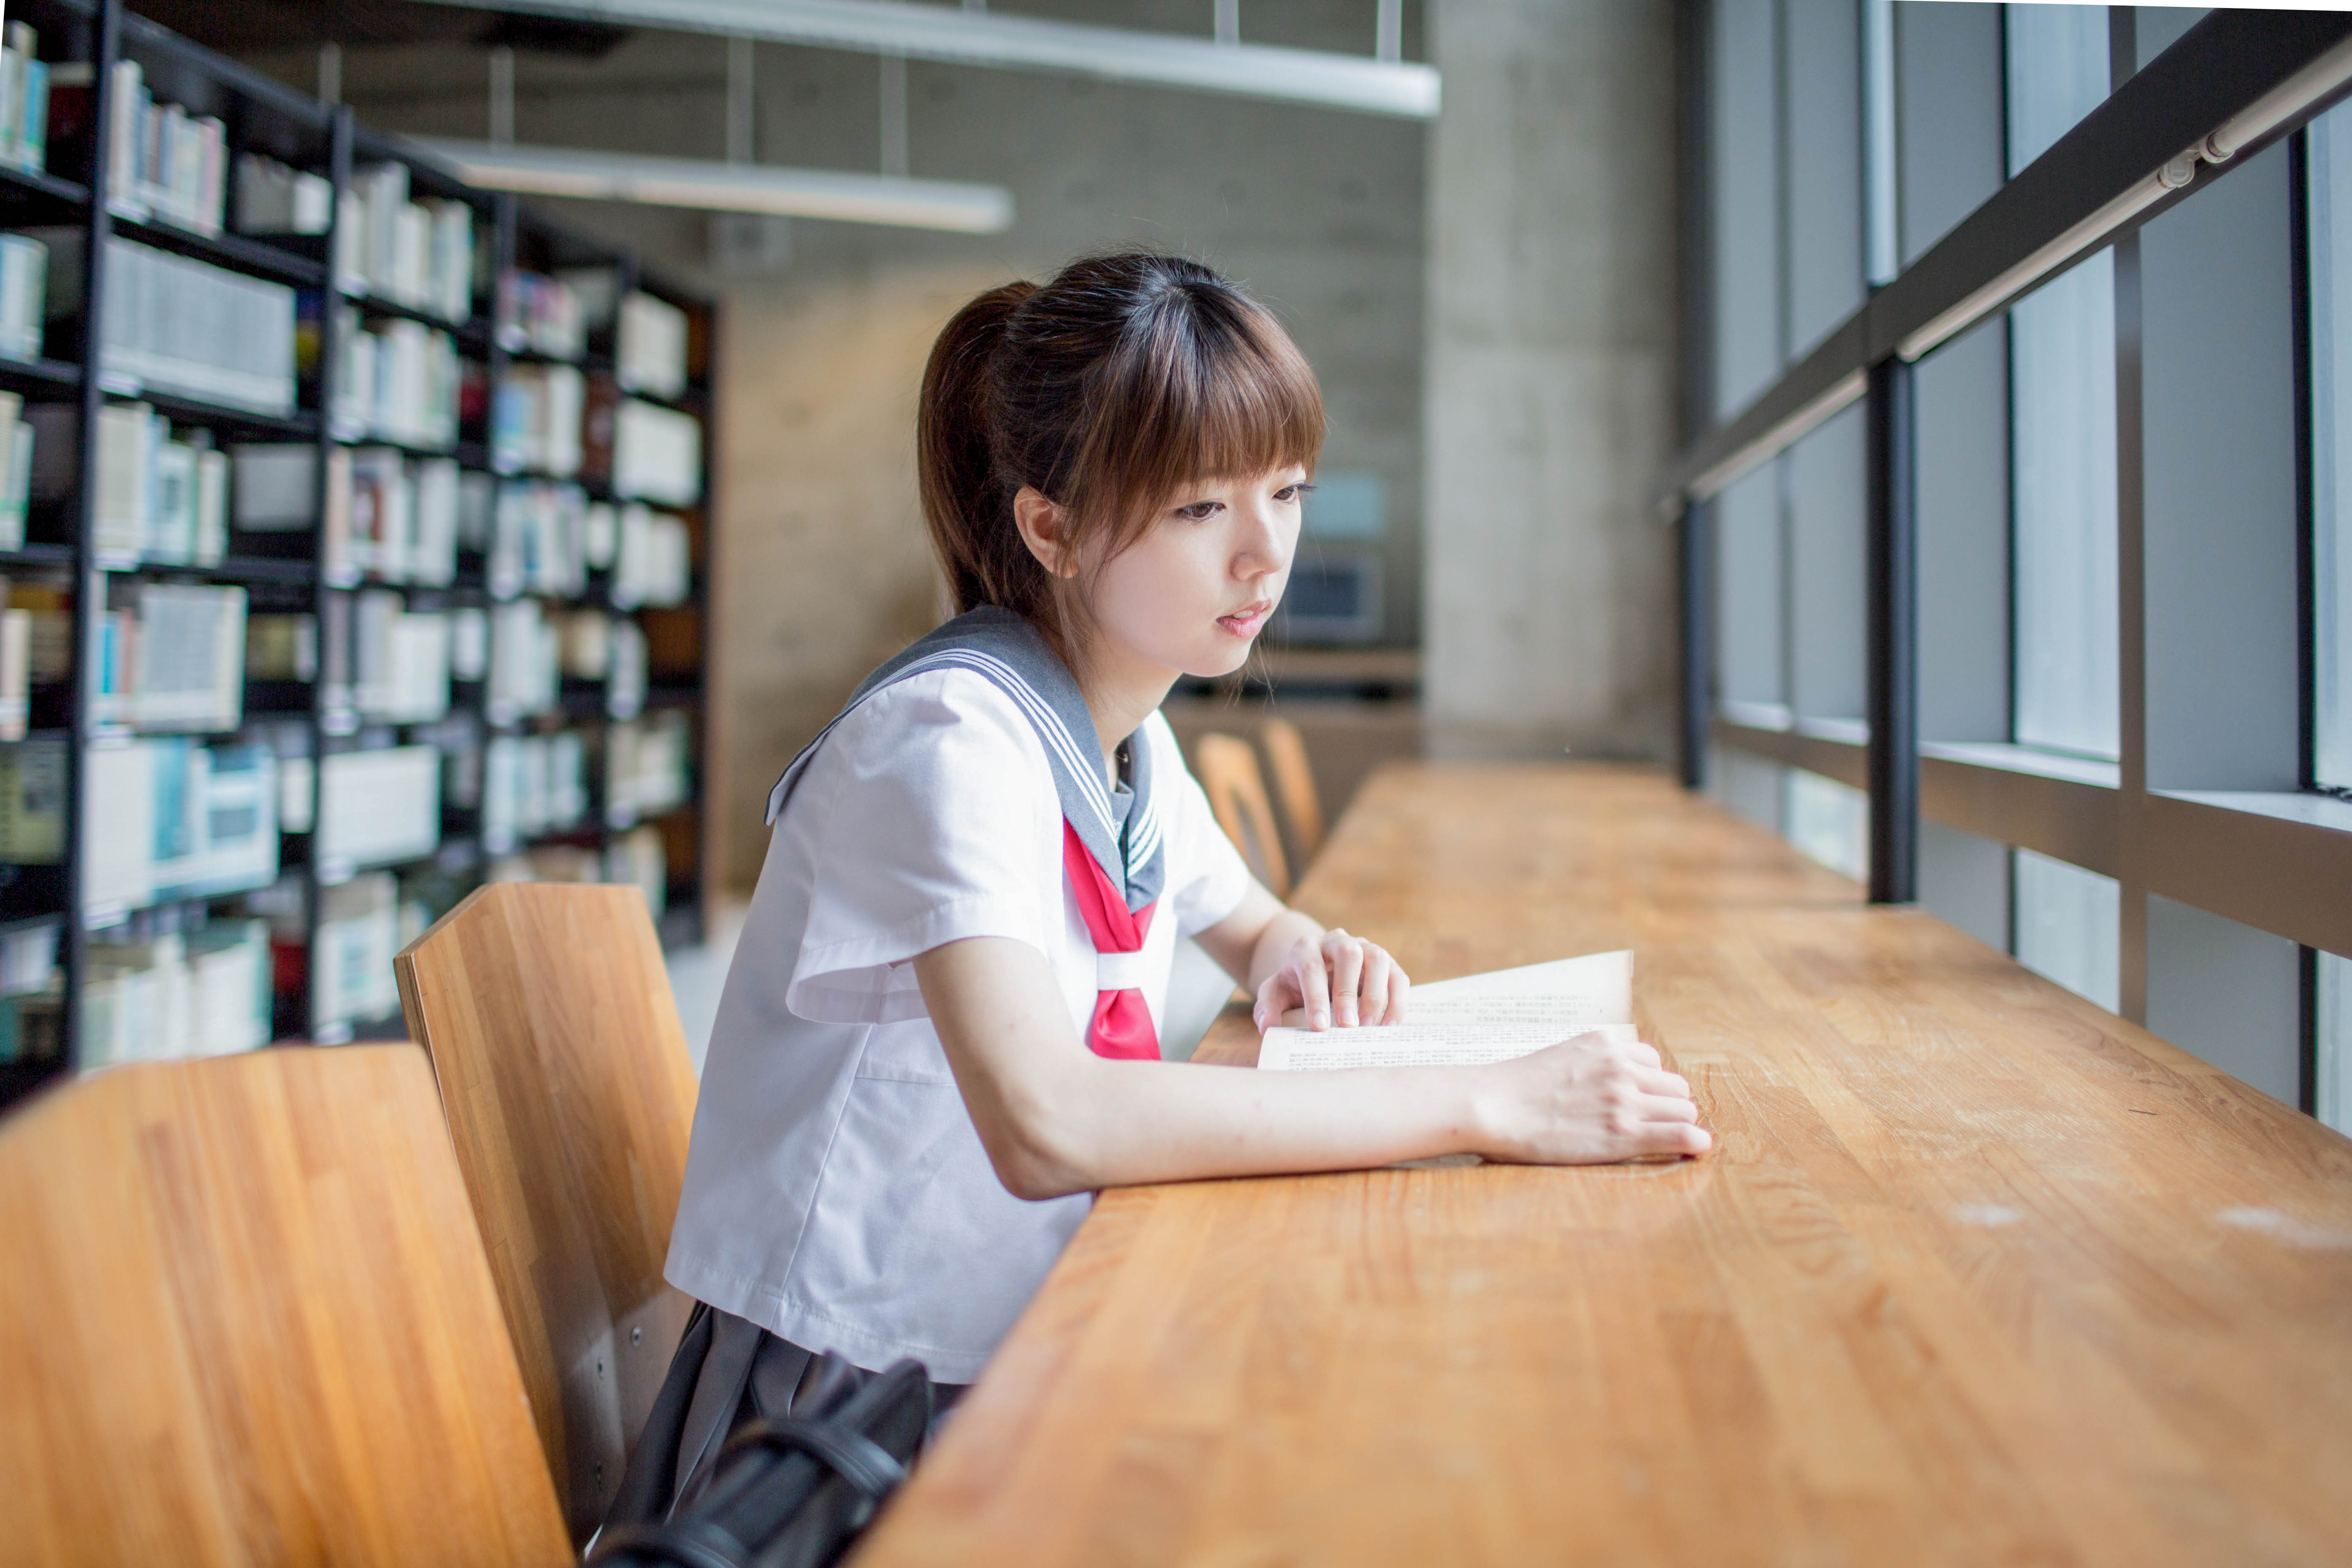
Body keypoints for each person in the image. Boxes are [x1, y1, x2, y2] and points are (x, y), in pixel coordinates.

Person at [636, 254, 1707, 1512]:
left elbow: (1245, 922)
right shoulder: (949, 739)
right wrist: (1487, 1103)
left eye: (1289, 491)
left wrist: (1304, 952)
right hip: (846, 1411)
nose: (1266, 556)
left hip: (1032, 1323)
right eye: (1202, 509)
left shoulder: (1127, 730)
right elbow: (1049, 1125)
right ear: (1053, 528)